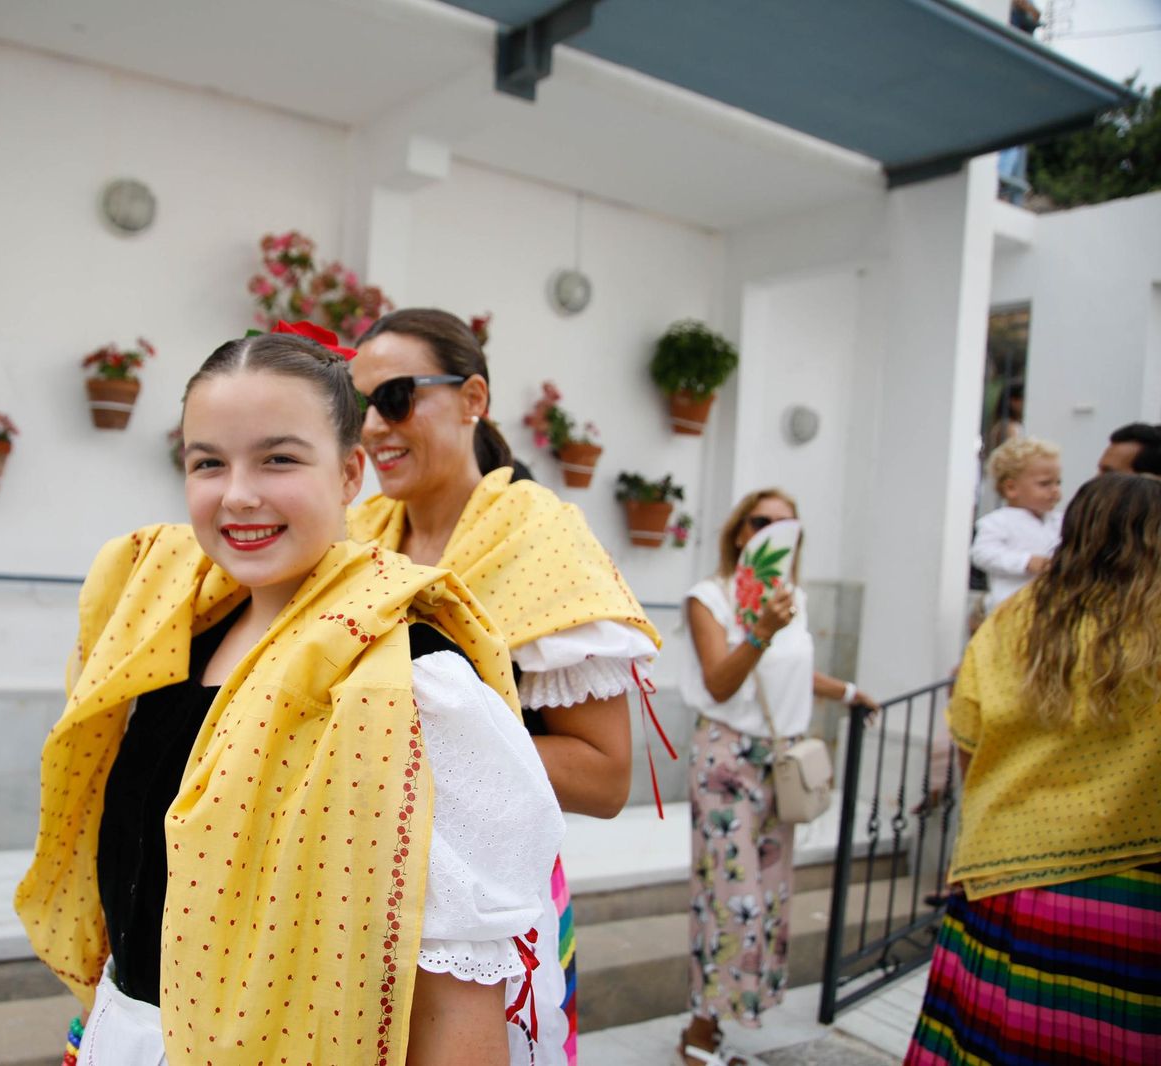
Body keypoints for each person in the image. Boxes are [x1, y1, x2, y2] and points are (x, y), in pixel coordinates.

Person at [15, 327, 565, 1065]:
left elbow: (453, 1007)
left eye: (279, 459)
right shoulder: (167, 642)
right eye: (208, 462)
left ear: (349, 473)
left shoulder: (408, 681)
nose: (238, 495)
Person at [346, 308, 664, 1066]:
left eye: (395, 398)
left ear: (473, 399)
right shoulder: (355, 536)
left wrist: (409, 736)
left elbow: (606, 777)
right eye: (357, 406)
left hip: (494, 907)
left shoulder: (542, 542)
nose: (373, 427)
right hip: (363, 892)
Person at [905, 472, 1161, 1066]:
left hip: (1006, 873)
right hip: (1135, 885)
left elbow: (968, 737)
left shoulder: (1014, 618)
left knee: (992, 1040)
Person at [676, 488, 879, 1066]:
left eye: (786, 524)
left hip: (779, 760)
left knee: (767, 896)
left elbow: (790, 671)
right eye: (760, 521)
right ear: (739, 531)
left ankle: (724, 1021)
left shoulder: (793, 599)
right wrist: (760, 630)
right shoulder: (710, 597)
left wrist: (847, 691)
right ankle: (699, 1030)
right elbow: (721, 683)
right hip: (726, 759)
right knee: (730, 895)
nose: (770, 533)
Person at [971, 436, 1062, 615]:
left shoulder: (1060, 521)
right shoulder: (998, 522)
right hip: (1009, 608)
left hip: (1048, 608)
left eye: (1058, 482)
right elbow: (982, 554)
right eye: (1045, 484)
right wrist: (1025, 562)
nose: (1055, 490)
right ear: (1011, 488)